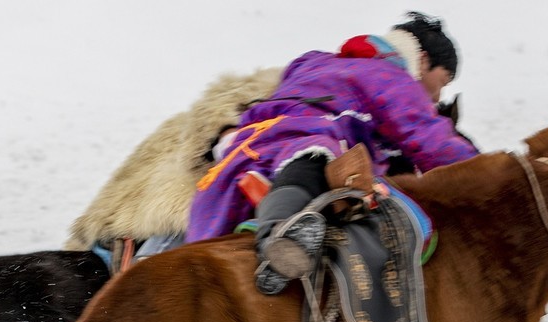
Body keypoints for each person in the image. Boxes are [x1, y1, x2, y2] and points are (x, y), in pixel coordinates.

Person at [185, 12, 480, 293]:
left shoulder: (312, 61)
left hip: (246, 148)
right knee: (315, 154)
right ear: (423, 59)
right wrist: (488, 169)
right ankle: (279, 236)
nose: (438, 97)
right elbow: (428, 139)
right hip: (301, 140)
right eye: (442, 82)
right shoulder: (392, 77)